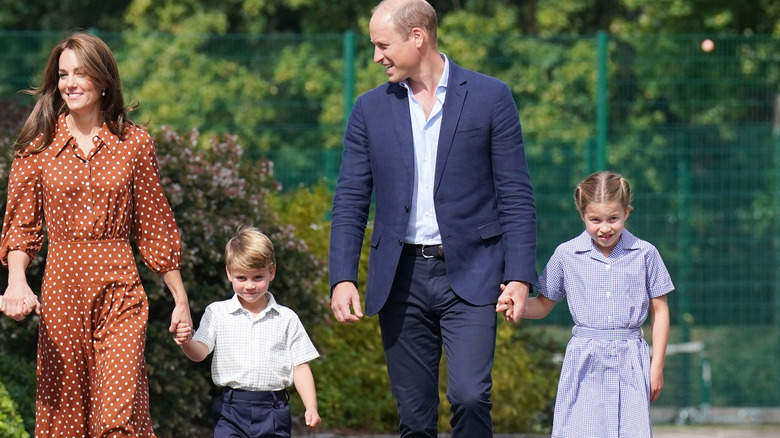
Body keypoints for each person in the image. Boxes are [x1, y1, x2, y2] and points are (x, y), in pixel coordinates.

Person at [328, 0, 537, 436]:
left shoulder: (490, 97)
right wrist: (342, 276)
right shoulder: (369, 109)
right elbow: (350, 198)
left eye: (383, 44)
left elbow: (515, 195)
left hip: (473, 273)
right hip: (399, 278)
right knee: (416, 420)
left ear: (417, 37)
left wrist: (519, 275)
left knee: (470, 396)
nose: (376, 56)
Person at [0, 31, 193, 437]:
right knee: (66, 419)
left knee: (118, 417)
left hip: (120, 291)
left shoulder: (134, 144)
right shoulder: (37, 149)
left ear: (104, 80)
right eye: (63, 74)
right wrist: (17, 281)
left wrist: (180, 298)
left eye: (80, 73)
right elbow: (21, 228)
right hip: (62, 292)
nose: (69, 83)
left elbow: (155, 225)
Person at [507, 171, 673, 437]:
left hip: (630, 360)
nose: (604, 228)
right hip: (584, 361)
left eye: (613, 219)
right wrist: (517, 306)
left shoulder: (645, 254)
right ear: (582, 215)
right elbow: (542, 304)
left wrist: (657, 367)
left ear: (626, 212)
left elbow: (660, 311)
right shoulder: (566, 254)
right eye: (595, 219)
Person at [177, 226, 321, 437]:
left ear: (271, 272)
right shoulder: (217, 312)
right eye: (241, 278)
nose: (250, 286)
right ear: (229, 273)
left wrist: (311, 406)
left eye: (258, 277)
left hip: (273, 410)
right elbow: (199, 353)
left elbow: (300, 366)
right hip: (231, 409)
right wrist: (186, 341)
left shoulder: (287, 318)